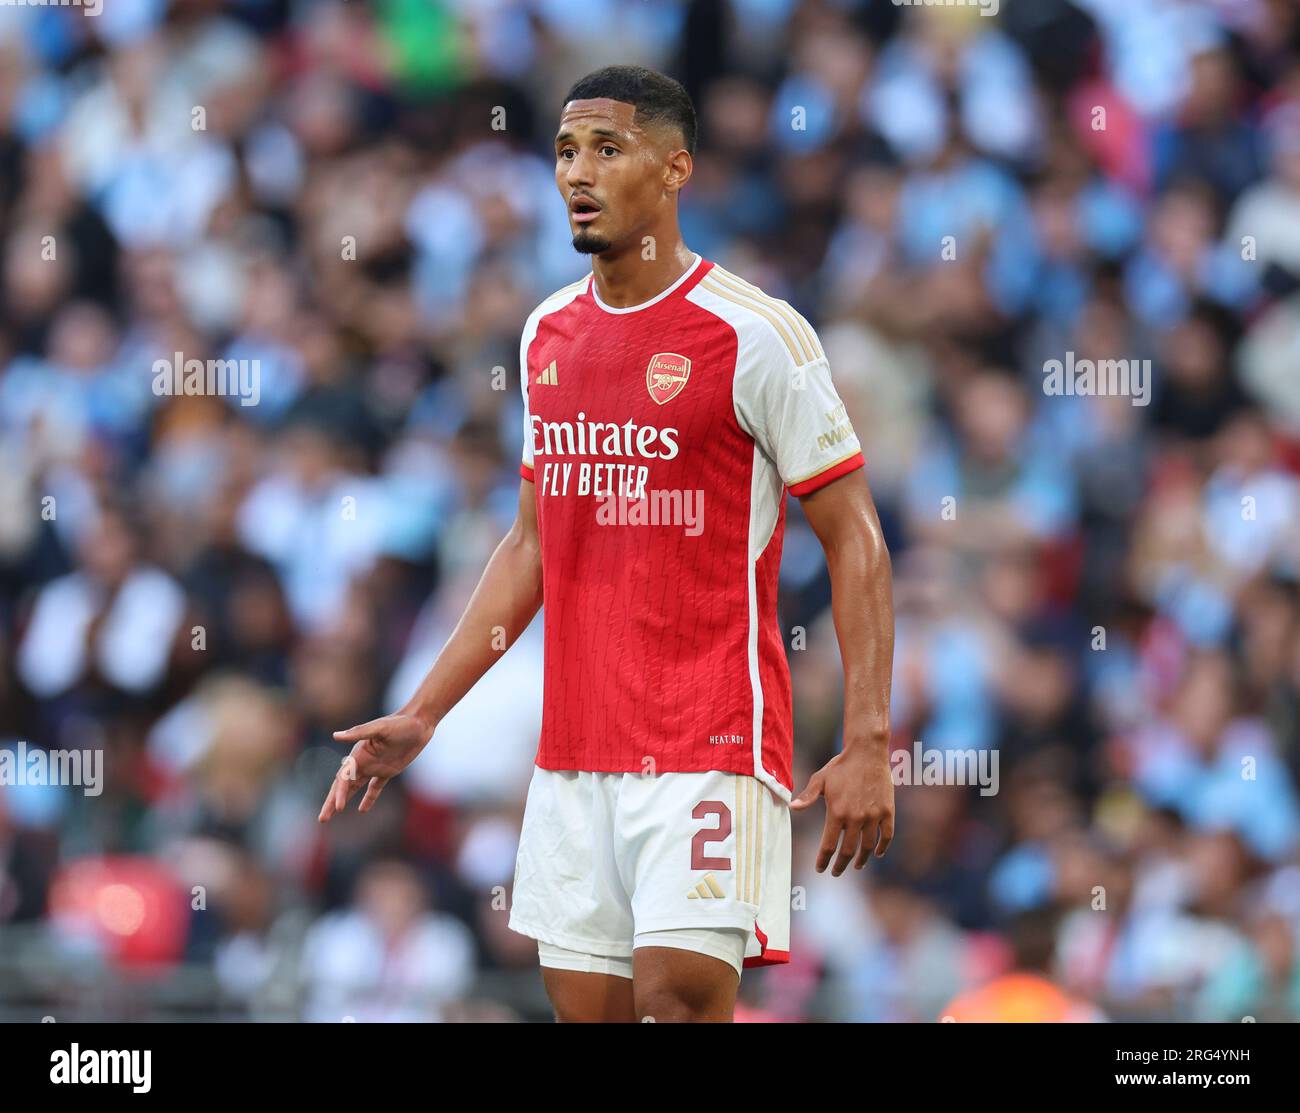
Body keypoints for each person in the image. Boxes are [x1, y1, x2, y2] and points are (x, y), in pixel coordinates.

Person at [318, 64, 896, 1023]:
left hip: (711, 735)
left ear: (675, 170)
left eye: (606, 149)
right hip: (576, 749)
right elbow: (529, 549)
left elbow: (857, 536)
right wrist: (424, 711)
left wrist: (870, 738)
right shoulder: (547, 334)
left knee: (676, 997)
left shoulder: (756, 335)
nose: (577, 173)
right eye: (564, 150)